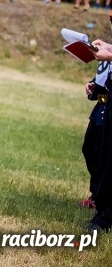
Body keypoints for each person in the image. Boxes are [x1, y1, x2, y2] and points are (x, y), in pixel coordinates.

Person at [87, 38, 112, 233]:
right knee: (97, 154)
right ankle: (100, 204)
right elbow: (105, 91)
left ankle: (106, 216)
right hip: (106, 106)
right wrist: (95, 91)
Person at [80, 57, 110, 214]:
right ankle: (96, 195)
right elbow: (104, 77)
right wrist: (94, 87)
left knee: (103, 155)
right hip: (101, 109)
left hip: (108, 111)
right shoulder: (107, 50)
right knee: (89, 149)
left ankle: (99, 198)